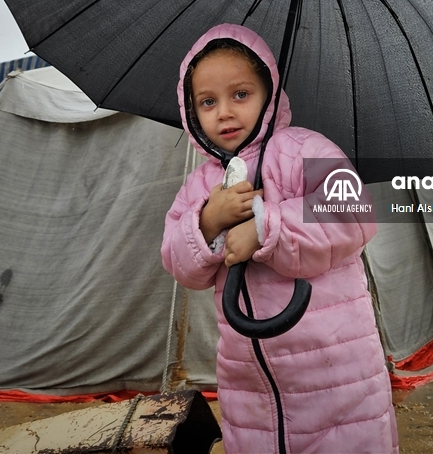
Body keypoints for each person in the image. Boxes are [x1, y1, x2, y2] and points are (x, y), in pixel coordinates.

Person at [162, 24, 399, 453]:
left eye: (241, 94)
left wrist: (266, 225)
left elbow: (354, 211)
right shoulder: (201, 185)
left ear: (268, 94)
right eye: (208, 102)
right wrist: (208, 221)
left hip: (335, 373)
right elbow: (176, 261)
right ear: (191, 112)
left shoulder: (301, 148)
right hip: (247, 382)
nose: (225, 113)